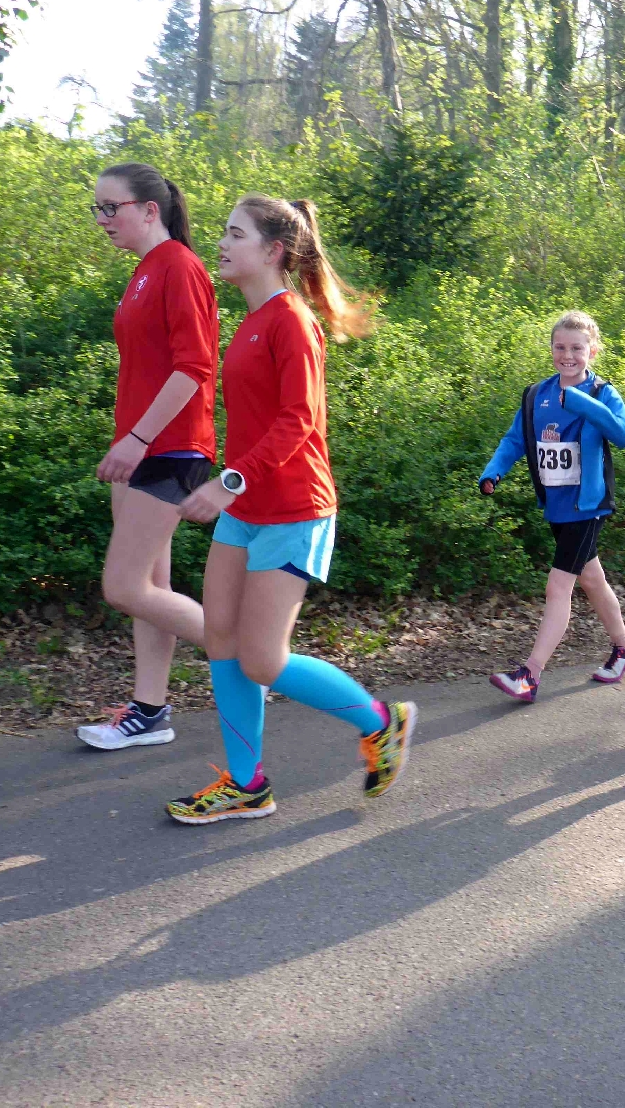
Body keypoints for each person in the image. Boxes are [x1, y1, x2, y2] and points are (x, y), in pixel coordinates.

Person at [167, 196, 415, 823]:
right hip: (246, 504)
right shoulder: (249, 322)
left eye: (235, 234)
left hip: (295, 509)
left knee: (262, 657)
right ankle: (246, 784)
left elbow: (299, 420)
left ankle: (380, 721)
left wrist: (229, 480)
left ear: (272, 251)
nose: (221, 244)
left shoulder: (289, 322)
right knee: (220, 636)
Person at [78, 163, 219, 752]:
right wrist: (130, 441)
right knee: (152, 584)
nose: (104, 220)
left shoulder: (180, 268)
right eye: (98, 209)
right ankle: (149, 710)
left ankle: (249, 654)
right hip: (141, 448)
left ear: (148, 209)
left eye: (112, 207)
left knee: (125, 586)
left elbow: (195, 368)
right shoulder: (144, 271)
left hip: (169, 447)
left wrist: (137, 439)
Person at [479, 311, 625, 701]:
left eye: (576, 348)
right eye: (560, 347)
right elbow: (516, 439)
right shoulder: (538, 394)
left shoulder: (602, 392)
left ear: (593, 351)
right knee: (592, 579)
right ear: (552, 349)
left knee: (559, 586)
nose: (567, 355)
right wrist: (494, 471)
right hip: (556, 505)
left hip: (588, 507)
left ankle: (530, 674)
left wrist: (585, 404)